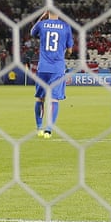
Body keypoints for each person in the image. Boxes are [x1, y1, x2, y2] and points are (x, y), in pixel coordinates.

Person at [30, 9, 74, 138]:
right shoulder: (66, 26)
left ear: (47, 12)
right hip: (57, 68)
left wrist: (41, 18)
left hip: (43, 67)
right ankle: (48, 130)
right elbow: (70, 50)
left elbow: (32, 33)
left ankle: (39, 128)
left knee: (40, 98)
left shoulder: (42, 24)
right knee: (54, 99)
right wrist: (64, 54)